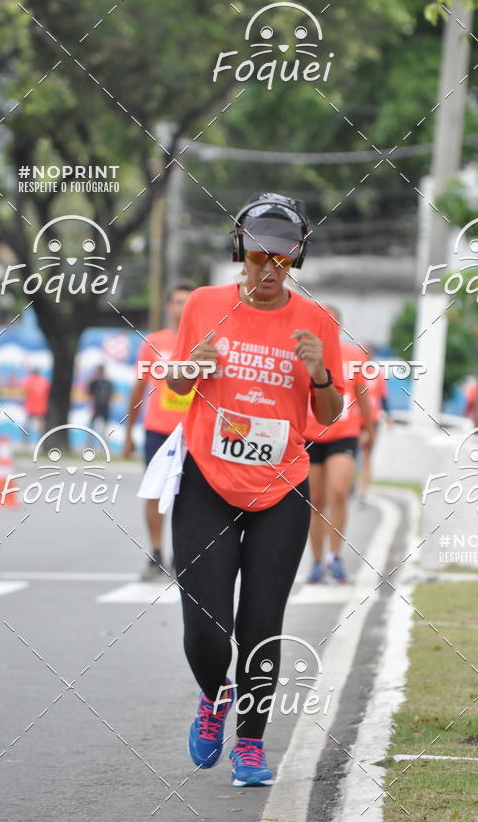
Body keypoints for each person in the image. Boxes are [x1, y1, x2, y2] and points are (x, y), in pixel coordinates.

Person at [165, 193, 344, 786]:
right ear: (239, 250)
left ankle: (250, 744)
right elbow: (174, 387)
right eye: (259, 257)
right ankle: (215, 695)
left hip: (282, 489)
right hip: (207, 481)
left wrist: (319, 371)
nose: (268, 271)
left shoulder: (316, 321)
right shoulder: (204, 304)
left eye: (282, 261)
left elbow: (329, 412)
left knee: (262, 624)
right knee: (206, 626)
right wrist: (188, 368)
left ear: (296, 262)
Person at [124, 281, 197, 580]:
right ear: (169, 306)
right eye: (178, 302)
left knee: (191, 498)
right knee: (155, 493)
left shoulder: (205, 342)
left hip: (195, 433)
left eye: (188, 302)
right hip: (158, 431)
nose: (182, 308)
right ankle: (156, 555)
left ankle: (186, 556)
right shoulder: (154, 342)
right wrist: (129, 431)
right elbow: (139, 387)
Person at [304, 310, 374, 584]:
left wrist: (370, 430)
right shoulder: (304, 355)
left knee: (339, 491)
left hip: (343, 433)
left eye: (332, 323)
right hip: (310, 435)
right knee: (315, 501)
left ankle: (335, 557)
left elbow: (363, 396)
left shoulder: (354, 356)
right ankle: (317, 560)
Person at [357, 343, 392, 505]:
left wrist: (389, 416)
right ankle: (350, 486)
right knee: (353, 454)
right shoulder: (355, 371)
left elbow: (384, 399)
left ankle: (363, 491)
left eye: (367, 352)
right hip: (355, 419)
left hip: (372, 420)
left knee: (366, 456)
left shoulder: (377, 374)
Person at [22, 368, 50, 442]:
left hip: (31, 406)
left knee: (27, 425)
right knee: (41, 426)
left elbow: (26, 391)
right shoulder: (44, 381)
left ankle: (26, 440)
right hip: (41, 407)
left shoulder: (29, 381)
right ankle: (42, 441)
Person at [87, 365, 114, 438]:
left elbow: (110, 395)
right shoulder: (94, 383)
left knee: (105, 428)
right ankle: (88, 446)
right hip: (96, 406)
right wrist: (91, 406)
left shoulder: (108, 383)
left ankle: (105, 445)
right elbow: (90, 395)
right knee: (91, 427)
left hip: (105, 407)